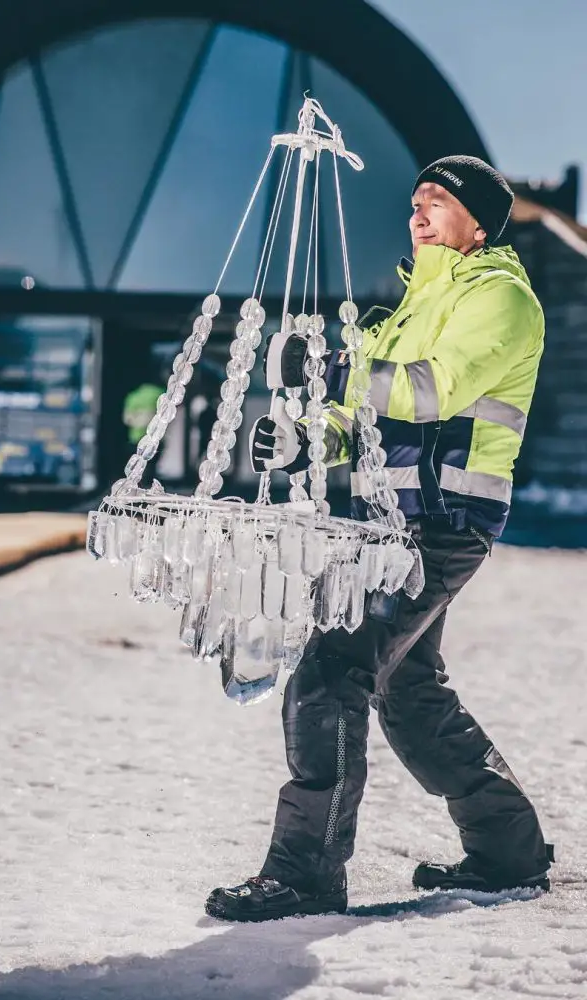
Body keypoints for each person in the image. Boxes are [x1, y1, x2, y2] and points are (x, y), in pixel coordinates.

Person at [206, 155, 553, 923]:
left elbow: (433, 392)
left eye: (436, 201)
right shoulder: (406, 306)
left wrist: (333, 369)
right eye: (413, 202)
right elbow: (367, 421)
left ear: (478, 222)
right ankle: (509, 851)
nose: (417, 212)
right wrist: (305, 441)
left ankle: (305, 873)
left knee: (333, 670)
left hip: (446, 521)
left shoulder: (501, 299)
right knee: (408, 691)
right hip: (392, 524)